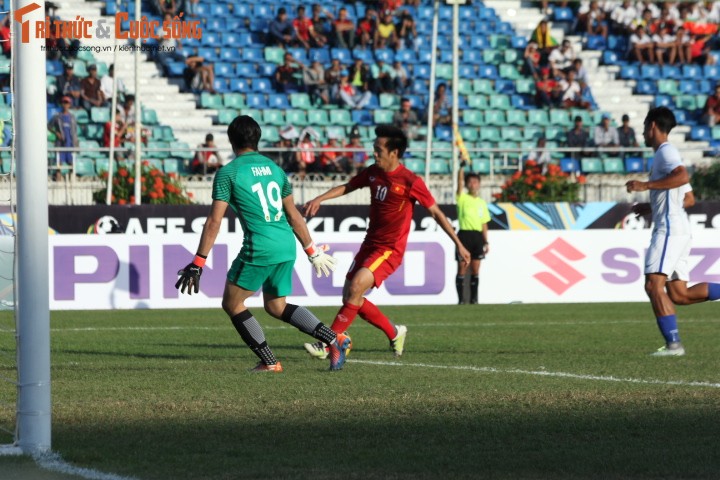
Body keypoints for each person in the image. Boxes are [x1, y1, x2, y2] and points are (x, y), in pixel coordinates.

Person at [175, 115, 351, 372]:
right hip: (285, 244)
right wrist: (311, 251)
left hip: (260, 246)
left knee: (232, 303)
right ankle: (334, 338)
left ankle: (270, 361)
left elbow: (214, 221)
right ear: (257, 139)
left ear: (231, 140)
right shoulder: (276, 170)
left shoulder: (228, 173)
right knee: (276, 306)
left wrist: (198, 262)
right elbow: (294, 215)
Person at [302, 125, 471, 363]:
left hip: (390, 249)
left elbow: (436, 213)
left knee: (357, 286)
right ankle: (394, 332)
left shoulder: (410, 180)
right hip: (369, 244)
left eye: (378, 149)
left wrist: (459, 243)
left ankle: (329, 343)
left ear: (395, 152)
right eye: (374, 148)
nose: (374, 153)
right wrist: (320, 198)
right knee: (351, 297)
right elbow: (348, 186)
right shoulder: (373, 172)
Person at [625, 107, 720, 356]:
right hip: (677, 227)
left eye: (645, 128)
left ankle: (674, 345)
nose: (644, 134)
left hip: (668, 230)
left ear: (652, 126)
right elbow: (688, 198)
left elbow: (681, 176)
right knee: (679, 294)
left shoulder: (666, 152)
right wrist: (652, 204)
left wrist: (646, 185)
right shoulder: (667, 155)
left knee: (653, 285)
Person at [455, 162, 490, 305]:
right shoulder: (462, 198)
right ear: (467, 184)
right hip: (464, 235)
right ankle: (461, 300)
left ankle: (474, 299)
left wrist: (486, 241)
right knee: (462, 269)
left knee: (476, 270)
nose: (473, 184)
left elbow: (484, 223)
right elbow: (459, 183)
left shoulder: (482, 202)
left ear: (479, 184)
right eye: (470, 182)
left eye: (475, 182)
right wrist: (461, 168)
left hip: (477, 237)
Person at [47, 96, 78, 181]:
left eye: (67, 103)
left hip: (70, 143)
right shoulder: (57, 116)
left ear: (69, 104)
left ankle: (72, 180)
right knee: (59, 163)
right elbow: (49, 126)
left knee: (71, 162)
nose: (65, 104)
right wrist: (56, 133)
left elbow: (75, 131)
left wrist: (76, 142)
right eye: (64, 102)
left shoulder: (72, 117)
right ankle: (58, 180)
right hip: (60, 143)